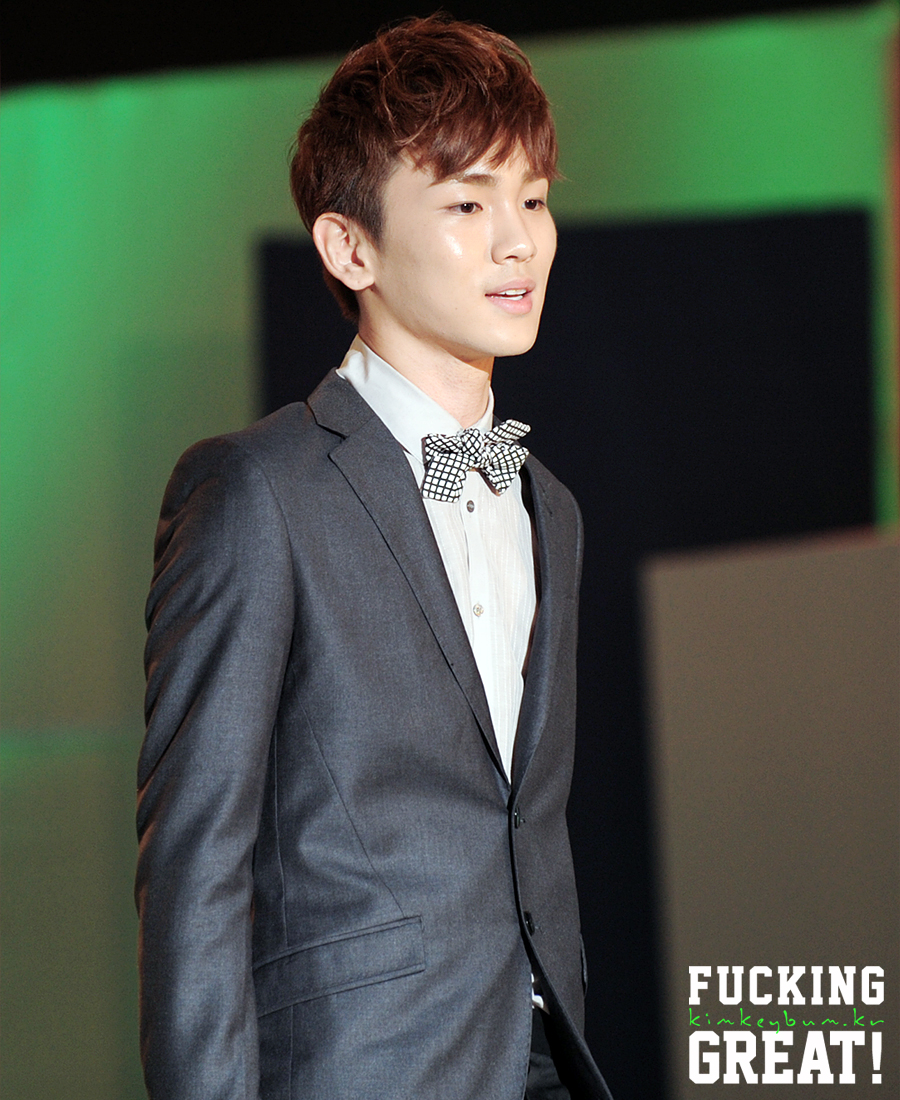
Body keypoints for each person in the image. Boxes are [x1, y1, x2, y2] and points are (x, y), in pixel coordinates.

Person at [136, 15, 613, 1100]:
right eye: (467, 205)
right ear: (350, 248)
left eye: (534, 199)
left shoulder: (551, 508)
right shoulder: (258, 491)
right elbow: (194, 867)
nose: (518, 242)